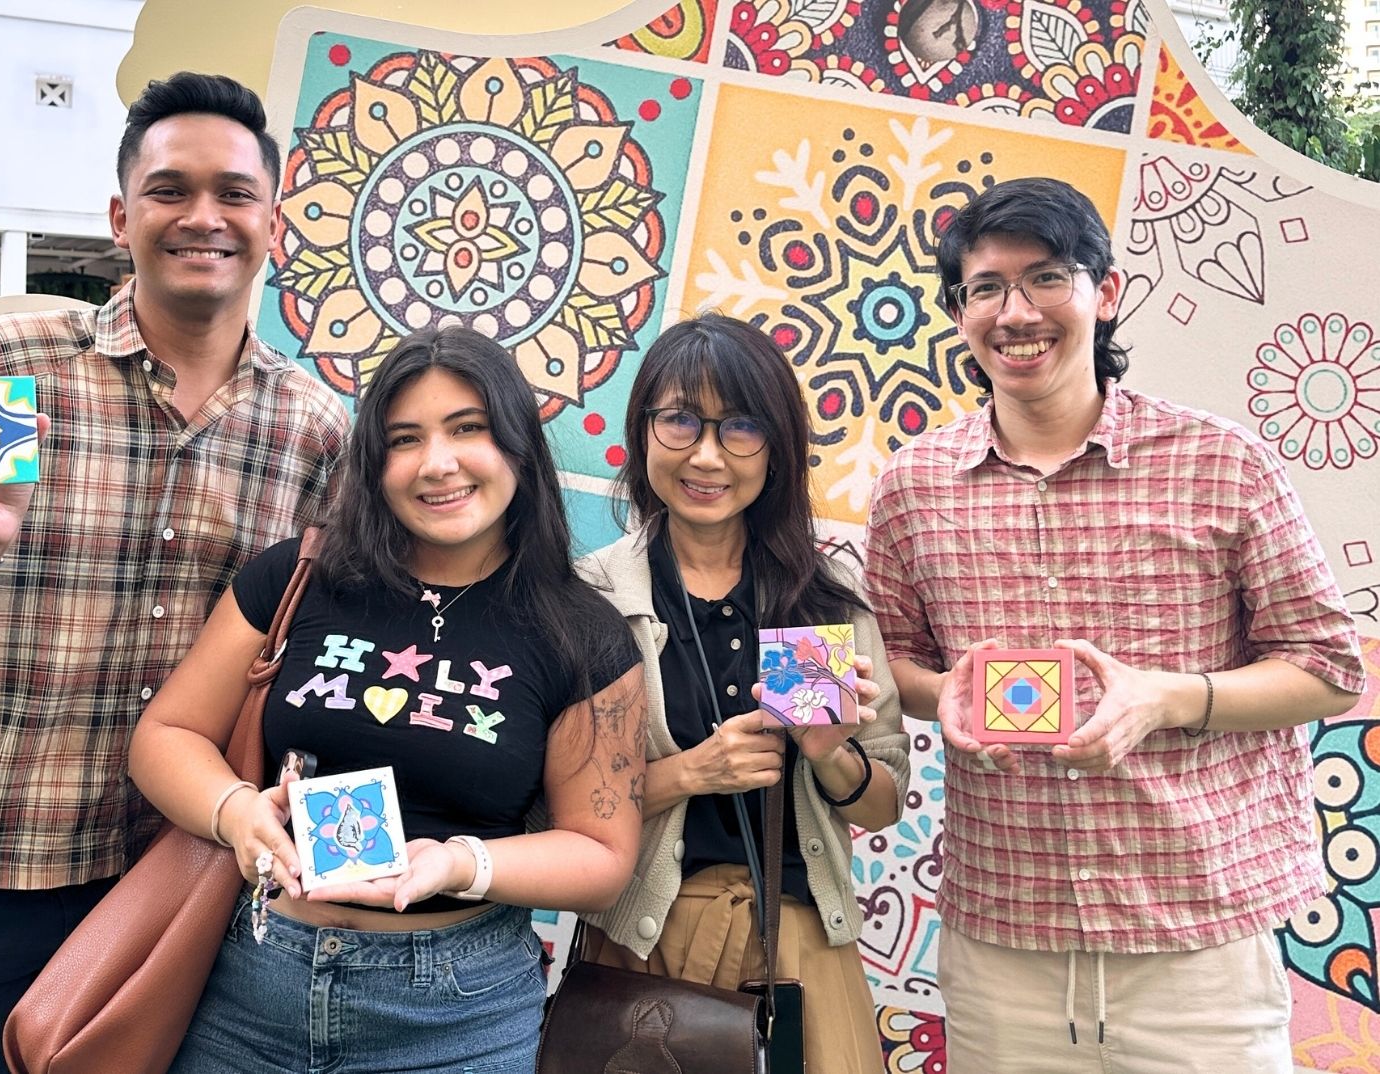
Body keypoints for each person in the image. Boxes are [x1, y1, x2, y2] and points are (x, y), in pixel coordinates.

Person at [0, 72, 349, 1072]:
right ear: (121, 218)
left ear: (273, 226)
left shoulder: (312, 433)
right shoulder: (9, 364)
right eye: (170, 190)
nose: (203, 217)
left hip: (155, 891)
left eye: (235, 194)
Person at [864, 177, 1364, 1072]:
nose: (1016, 312)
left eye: (1047, 278)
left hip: (1198, 942)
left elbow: (1327, 666)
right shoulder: (913, 485)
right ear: (958, 313)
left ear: (1106, 293)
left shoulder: (1222, 462)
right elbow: (892, 655)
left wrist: (1165, 700)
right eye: (986, 288)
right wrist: (944, 694)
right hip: (1005, 942)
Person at [128, 325, 647, 1074]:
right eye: (405, 440)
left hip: (457, 1013)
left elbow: (601, 854)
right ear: (374, 463)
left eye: (467, 428)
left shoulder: (581, 632)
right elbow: (166, 735)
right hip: (250, 988)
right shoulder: (299, 577)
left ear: (519, 445)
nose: (437, 464)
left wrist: (458, 862)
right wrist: (235, 812)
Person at [577, 313, 910, 1073]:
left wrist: (830, 757)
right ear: (642, 429)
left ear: (777, 447)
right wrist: (692, 773)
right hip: (643, 942)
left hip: (797, 950)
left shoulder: (818, 597)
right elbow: (553, 808)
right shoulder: (595, 597)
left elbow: (882, 803)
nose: (706, 455)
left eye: (741, 427)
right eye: (679, 420)